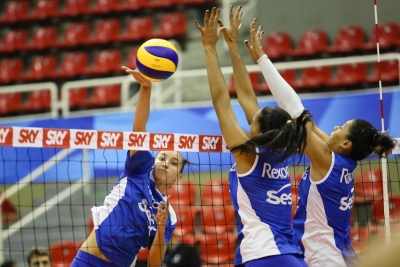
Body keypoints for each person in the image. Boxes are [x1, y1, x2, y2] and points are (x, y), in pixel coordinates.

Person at [244, 19, 397, 267]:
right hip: (338, 255)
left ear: (346, 143)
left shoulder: (328, 161)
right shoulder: (341, 161)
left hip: (325, 259)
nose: (335, 127)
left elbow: (296, 111)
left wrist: (262, 59)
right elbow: (308, 122)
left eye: (342, 127)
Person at [195, 7, 310, 267]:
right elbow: (246, 97)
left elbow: (221, 101)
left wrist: (210, 48)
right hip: (291, 256)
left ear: (258, 132)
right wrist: (233, 45)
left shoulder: (247, 154)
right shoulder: (283, 150)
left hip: (262, 256)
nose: (249, 123)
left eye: (252, 122)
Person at [71, 68, 189, 267]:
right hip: (88, 260)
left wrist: (161, 225)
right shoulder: (140, 168)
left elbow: (154, 263)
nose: (165, 164)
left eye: (174, 163)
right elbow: (139, 130)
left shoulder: (169, 216)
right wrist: (145, 88)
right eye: (162, 158)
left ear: (178, 178)